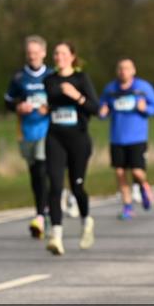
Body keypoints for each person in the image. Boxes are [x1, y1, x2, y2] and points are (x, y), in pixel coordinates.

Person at [43, 42, 99, 255]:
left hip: (78, 139)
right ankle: (56, 235)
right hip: (55, 138)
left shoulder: (81, 79)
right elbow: (48, 105)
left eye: (63, 53)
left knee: (77, 187)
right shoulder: (49, 80)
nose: (59, 57)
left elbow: (95, 108)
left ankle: (86, 221)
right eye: (56, 53)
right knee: (55, 186)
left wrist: (77, 96)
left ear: (72, 56)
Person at [99, 58, 154, 220]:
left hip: (137, 137)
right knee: (120, 173)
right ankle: (127, 206)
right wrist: (103, 112)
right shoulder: (110, 89)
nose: (123, 72)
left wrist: (144, 108)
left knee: (137, 172)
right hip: (117, 137)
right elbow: (102, 109)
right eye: (120, 68)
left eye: (126, 68)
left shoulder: (142, 87)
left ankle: (143, 185)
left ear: (133, 71)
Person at [4, 35, 54, 239]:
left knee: (43, 169)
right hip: (26, 131)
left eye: (36, 53)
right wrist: (18, 107)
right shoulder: (19, 77)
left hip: (48, 130)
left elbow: (62, 101)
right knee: (35, 174)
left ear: (43, 52)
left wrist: (49, 108)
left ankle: (41, 215)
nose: (32, 57)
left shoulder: (52, 75)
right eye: (29, 53)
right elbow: (7, 101)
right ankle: (45, 209)